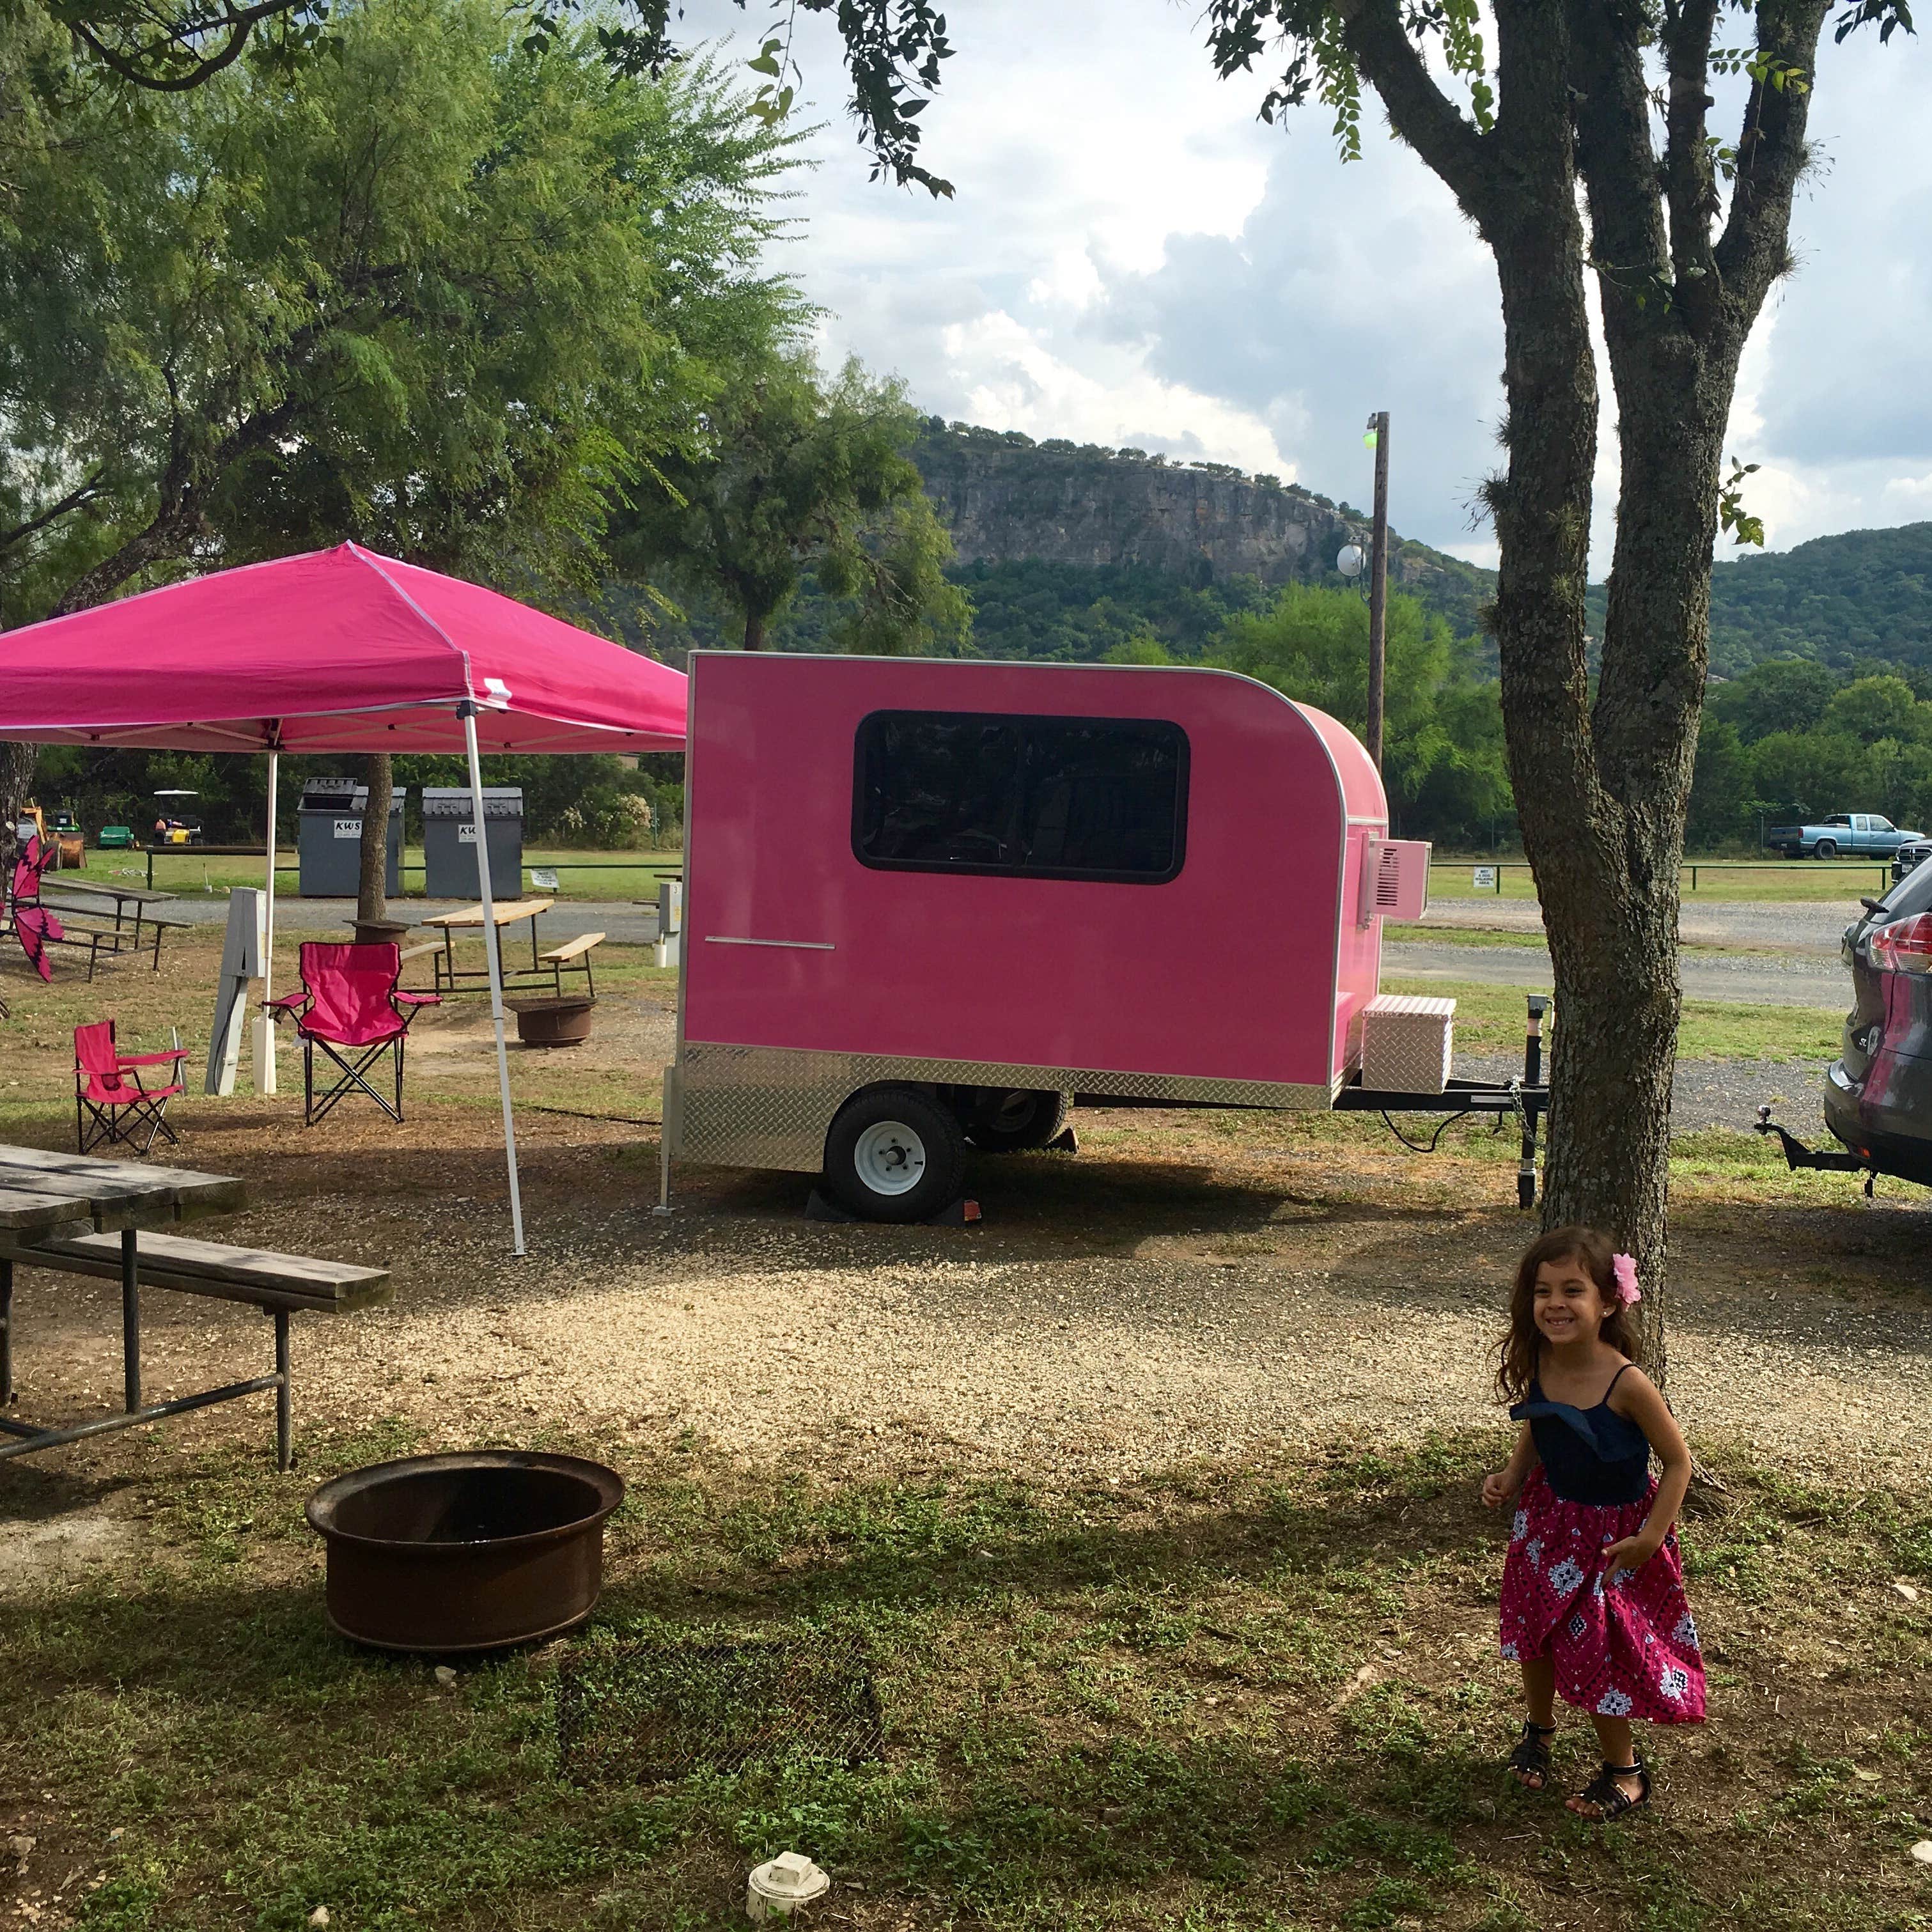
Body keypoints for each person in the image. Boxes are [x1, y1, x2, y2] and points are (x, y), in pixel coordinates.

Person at [1479, 1225, 1704, 1819]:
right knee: (1537, 1632)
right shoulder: (1543, 1363)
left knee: (1599, 1652)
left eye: (1572, 1290)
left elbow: (1678, 1463)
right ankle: (1539, 1728)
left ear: (1608, 1302)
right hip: (1548, 1527)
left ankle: (1625, 1770)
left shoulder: (1626, 1381)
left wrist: (1651, 1537)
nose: (1555, 1304)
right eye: (1543, 1290)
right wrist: (1512, 1473)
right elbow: (1540, 1422)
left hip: (1613, 1542)